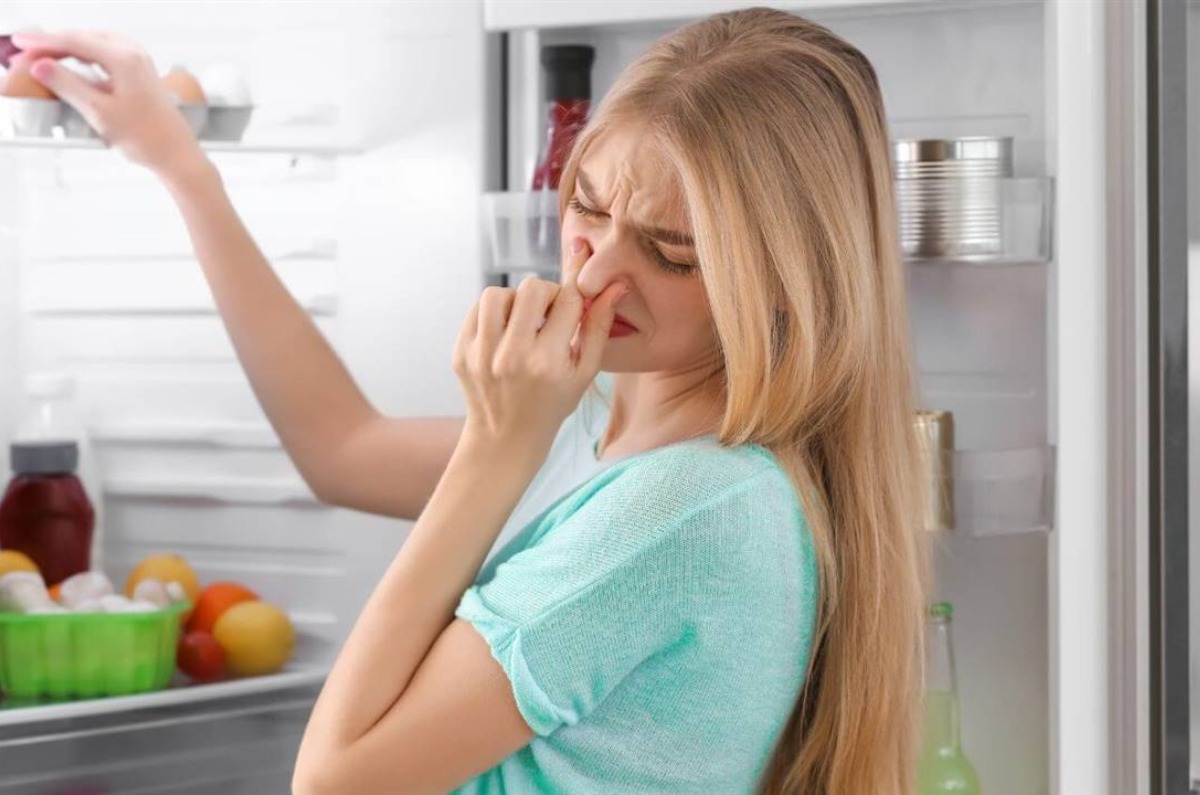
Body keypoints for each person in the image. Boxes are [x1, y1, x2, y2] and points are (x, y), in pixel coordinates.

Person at [12, 5, 928, 793]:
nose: (596, 267)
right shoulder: (600, 431)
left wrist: (497, 443)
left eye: (671, 250)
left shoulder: (681, 508)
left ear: (785, 281)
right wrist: (182, 166)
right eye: (590, 207)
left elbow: (333, 780)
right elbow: (341, 446)